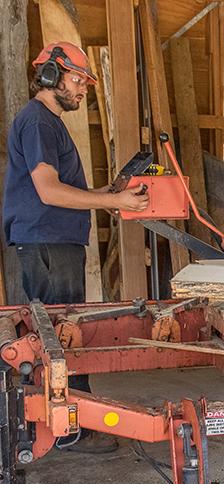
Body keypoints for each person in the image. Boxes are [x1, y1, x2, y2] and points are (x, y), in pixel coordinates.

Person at [3, 42, 149, 447]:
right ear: (50, 75)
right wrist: (112, 201)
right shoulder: (38, 123)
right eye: (77, 79)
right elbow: (48, 191)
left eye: (85, 81)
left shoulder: (48, 122)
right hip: (46, 242)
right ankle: (66, 433)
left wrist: (105, 193)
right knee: (60, 340)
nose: (83, 89)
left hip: (53, 242)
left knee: (66, 336)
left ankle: (73, 425)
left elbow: (60, 189)